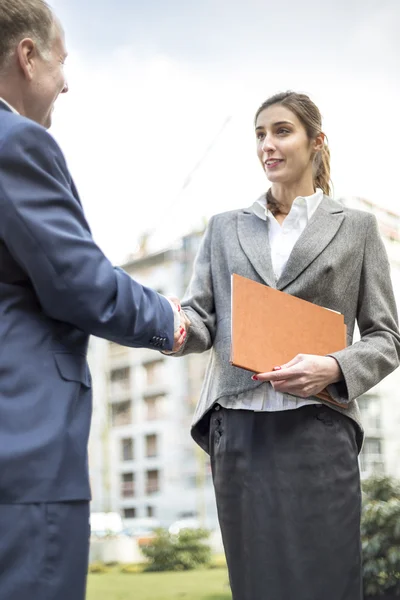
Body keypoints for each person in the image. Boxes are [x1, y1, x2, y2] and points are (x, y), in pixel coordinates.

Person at [170, 91, 400, 599]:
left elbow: (387, 337)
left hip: (318, 428)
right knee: (255, 586)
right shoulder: (224, 228)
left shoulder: (357, 229)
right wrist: (171, 326)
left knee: (328, 583)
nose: (267, 145)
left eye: (281, 131)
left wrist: (334, 365)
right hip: (241, 430)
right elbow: (203, 321)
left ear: (316, 142)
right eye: (259, 134)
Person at [0, 1, 187, 599]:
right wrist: (170, 319)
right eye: (61, 60)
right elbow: (78, 281)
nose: (66, 81)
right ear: (27, 57)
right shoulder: (16, 142)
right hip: (22, 450)